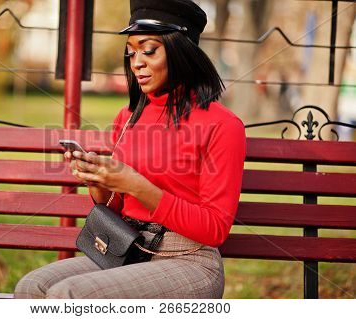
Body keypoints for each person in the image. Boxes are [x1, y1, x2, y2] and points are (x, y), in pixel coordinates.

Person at [14, 0, 246, 299]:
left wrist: (137, 185)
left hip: (189, 260)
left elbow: (215, 229)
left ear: (181, 50)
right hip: (126, 250)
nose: (136, 61)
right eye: (131, 51)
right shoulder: (128, 117)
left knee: (69, 295)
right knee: (31, 288)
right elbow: (116, 207)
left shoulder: (222, 125)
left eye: (148, 50)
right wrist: (99, 184)